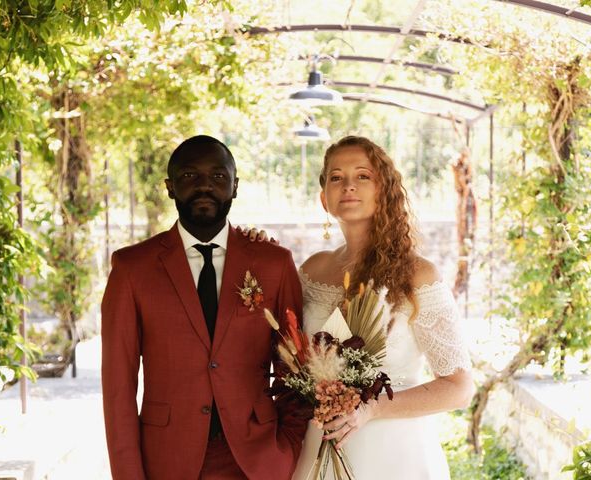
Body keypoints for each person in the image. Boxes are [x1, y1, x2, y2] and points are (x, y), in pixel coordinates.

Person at [245, 135, 474, 479]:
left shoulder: (418, 275)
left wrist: (371, 409)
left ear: (384, 190)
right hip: (318, 448)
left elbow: (459, 387)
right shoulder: (312, 270)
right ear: (324, 199)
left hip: (395, 453)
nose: (348, 185)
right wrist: (257, 254)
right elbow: (283, 342)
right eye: (336, 177)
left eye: (362, 176)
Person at [101, 135, 306, 480]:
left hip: (258, 459)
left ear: (235, 186)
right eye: (189, 176)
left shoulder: (274, 263)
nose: (204, 186)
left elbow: (295, 369)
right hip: (167, 460)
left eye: (218, 177)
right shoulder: (131, 268)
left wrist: (288, 449)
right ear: (169, 187)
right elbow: (118, 388)